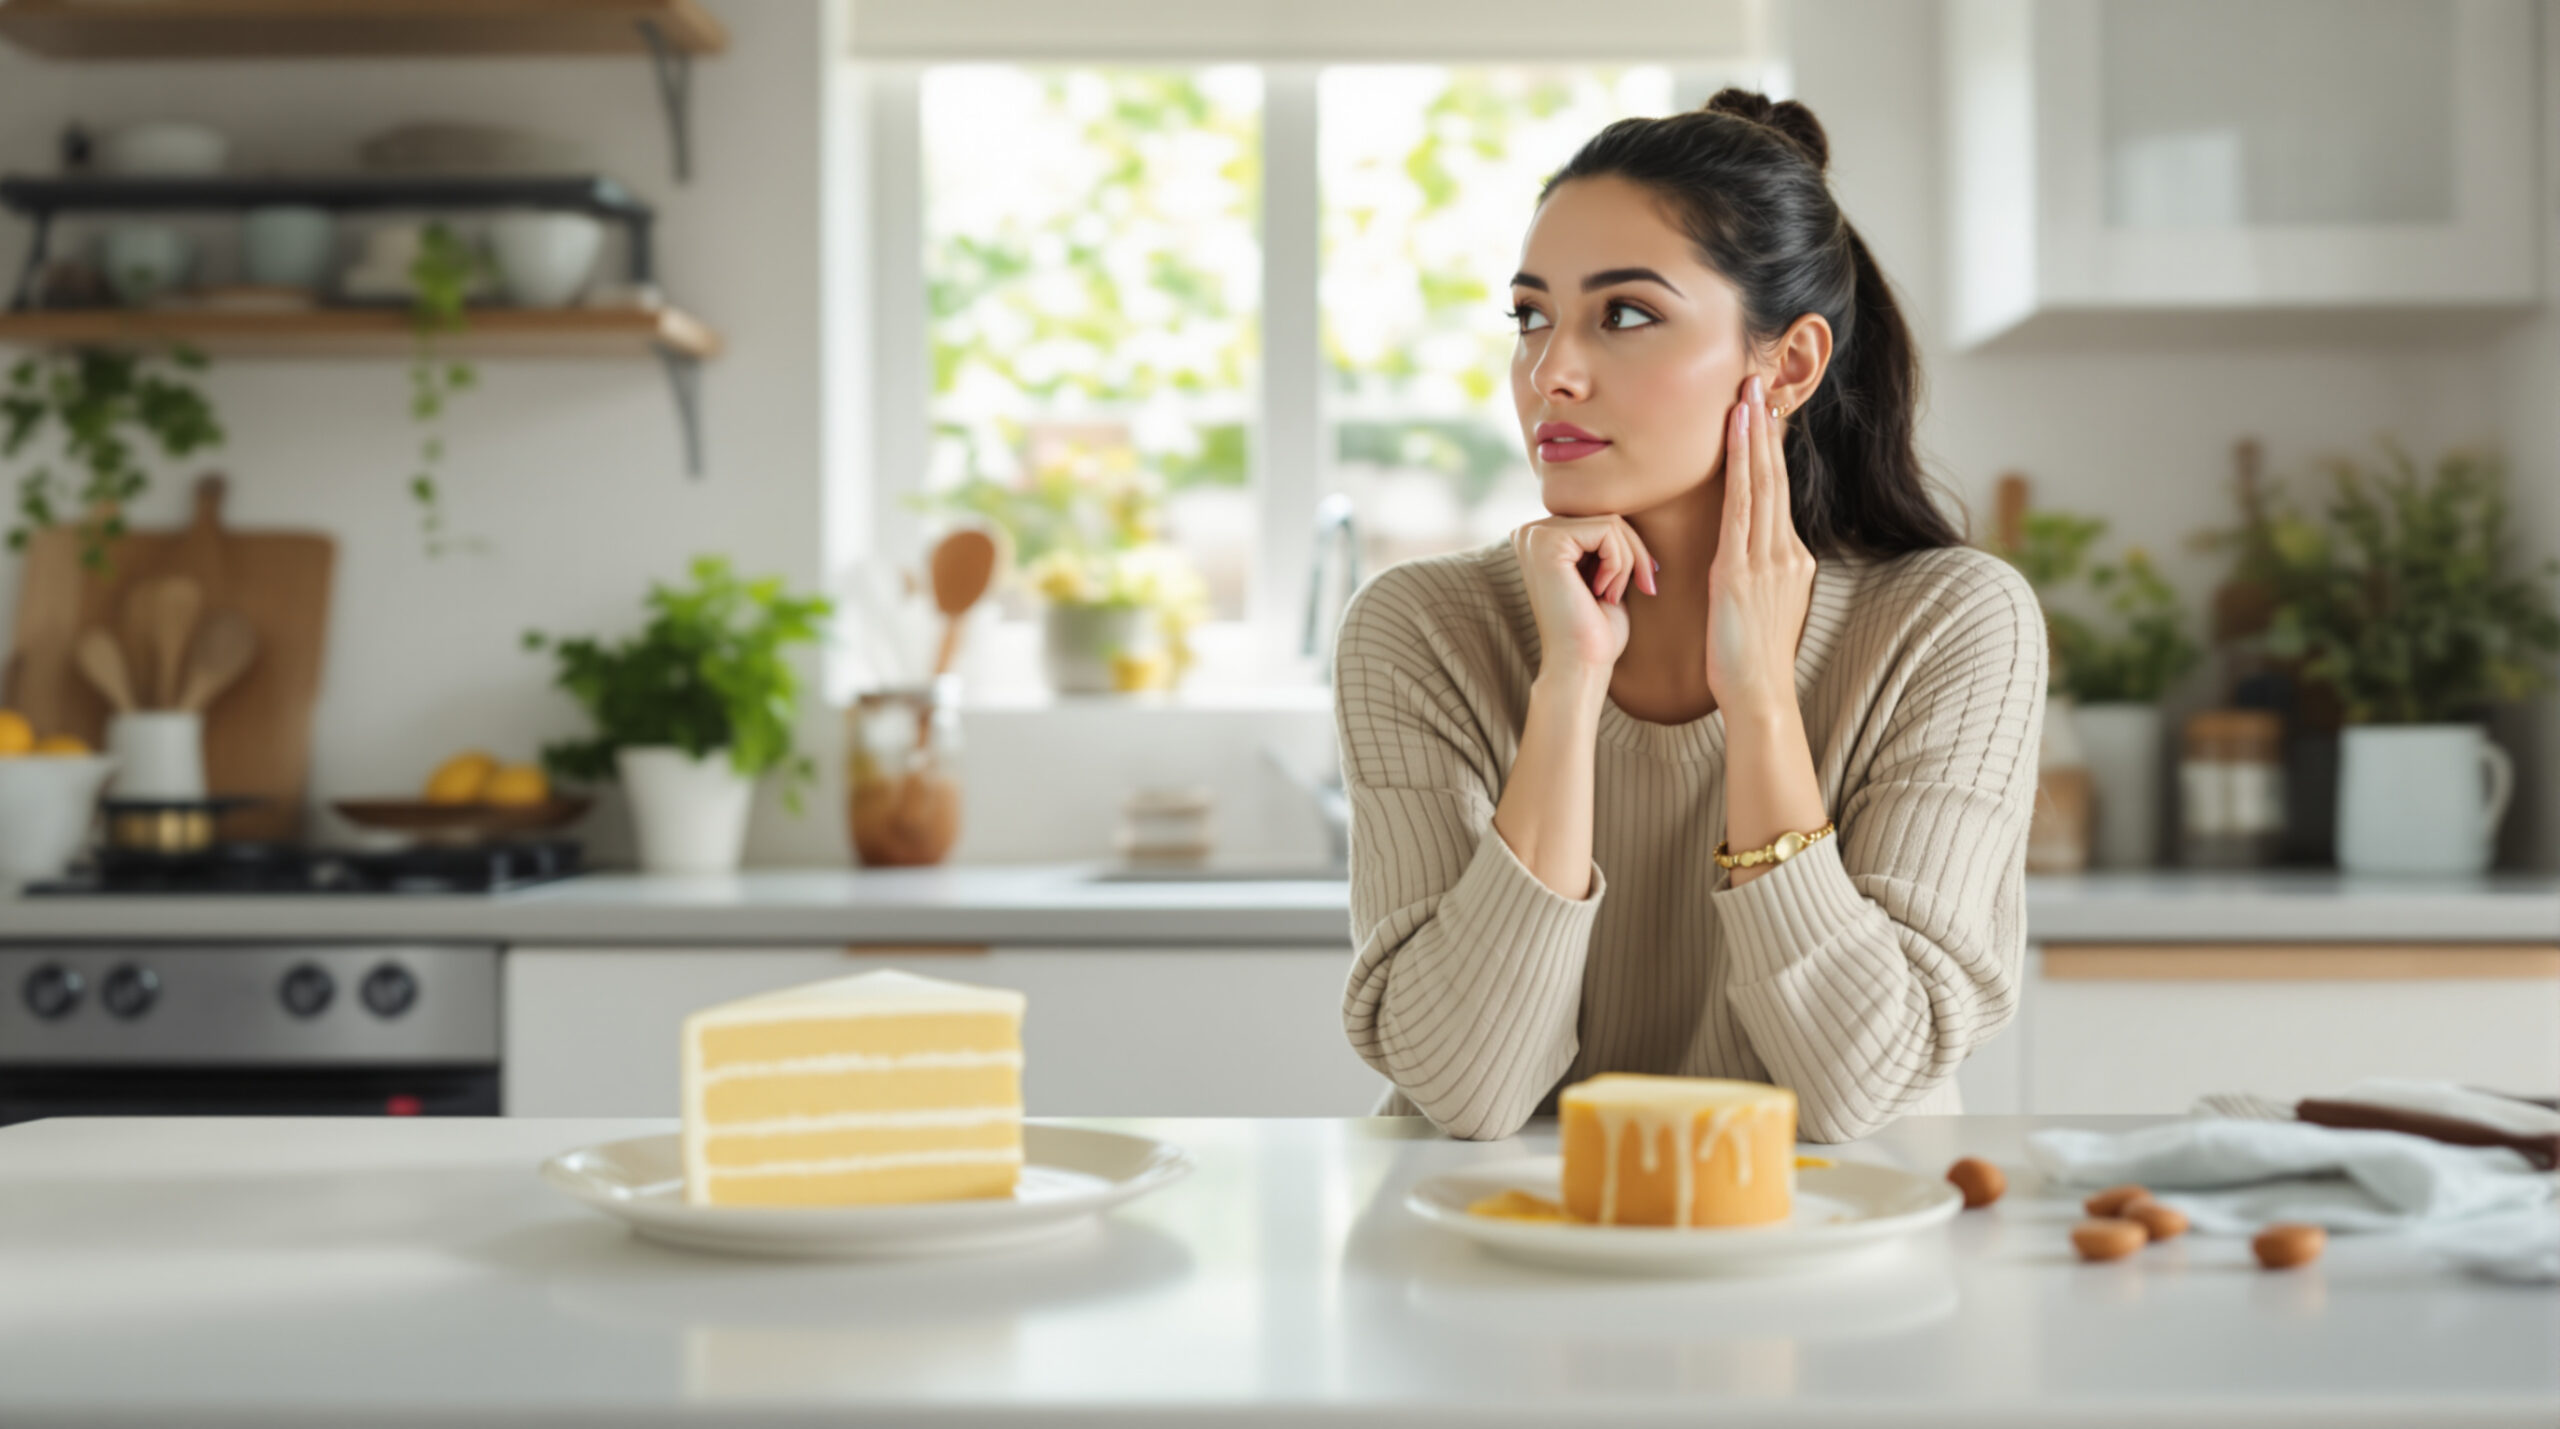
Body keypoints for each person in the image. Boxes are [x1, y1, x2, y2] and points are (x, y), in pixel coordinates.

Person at [1335, 89, 2048, 1144]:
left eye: (1624, 314)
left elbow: (1856, 1086)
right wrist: (1568, 688)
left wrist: (1759, 699)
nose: (1550, 372)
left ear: (1789, 363)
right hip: (1507, 1233)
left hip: (1841, 1238)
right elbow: (1467, 1090)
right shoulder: (1423, 626)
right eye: (1531, 316)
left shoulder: (1949, 623)